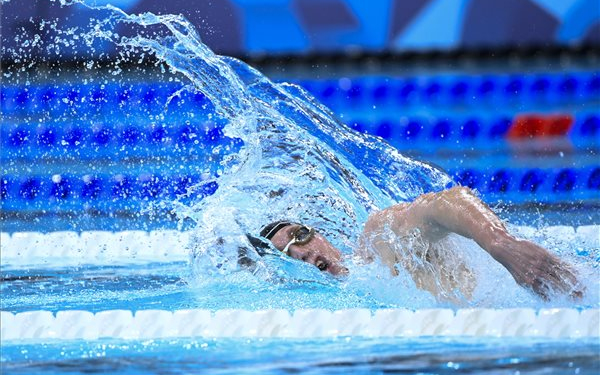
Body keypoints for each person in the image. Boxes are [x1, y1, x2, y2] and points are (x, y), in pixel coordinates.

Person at [247, 186, 582, 302]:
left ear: (319, 233)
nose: (306, 252)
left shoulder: (378, 243)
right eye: (289, 254)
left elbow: (439, 204)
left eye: (301, 235)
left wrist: (500, 243)